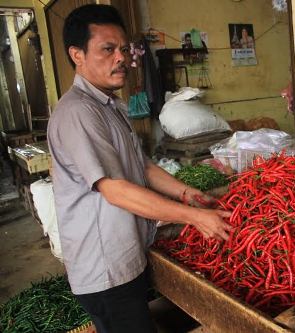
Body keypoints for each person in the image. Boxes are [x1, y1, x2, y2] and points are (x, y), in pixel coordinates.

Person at [47, 4, 231, 333]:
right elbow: (114, 189)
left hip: (126, 255)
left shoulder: (111, 105)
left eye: (123, 48)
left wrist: (190, 194)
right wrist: (194, 217)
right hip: (105, 269)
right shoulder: (78, 113)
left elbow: (142, 167)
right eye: (107, 49)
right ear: (77, 54)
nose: (122, 58)